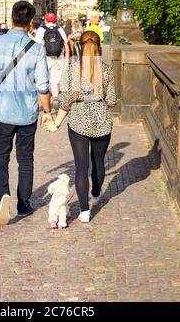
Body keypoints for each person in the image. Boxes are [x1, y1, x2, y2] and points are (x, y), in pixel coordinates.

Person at [0, 1, 52, 225]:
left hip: (3, 111)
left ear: (10, 19)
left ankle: (3, 196)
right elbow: (43, 86)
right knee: (25, 159)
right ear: (31, 23)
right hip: (27, 112)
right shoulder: (37, 48)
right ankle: (23, 204)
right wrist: (47, 112)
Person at [44, 31, 117, 224]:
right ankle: (95, 193)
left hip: (78, 124)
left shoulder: (72, 70)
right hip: (102, 123)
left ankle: (84, 211)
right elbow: (111, 100)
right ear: (99, 47)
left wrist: (56, 124)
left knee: (81, 167)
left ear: (80, 47)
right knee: (99, 161)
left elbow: (66, 102)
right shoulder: (107, 70)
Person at [35, 12, 67, 99]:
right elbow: (66, 43)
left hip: (46, 57)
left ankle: (50, 98)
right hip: (59, 57)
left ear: (45, 20)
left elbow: (36, 45)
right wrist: (67, 57)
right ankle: (56, 95)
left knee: (46, 78)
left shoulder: (41, 30)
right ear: (55, 20)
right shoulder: (60, 29)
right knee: (56, 78)